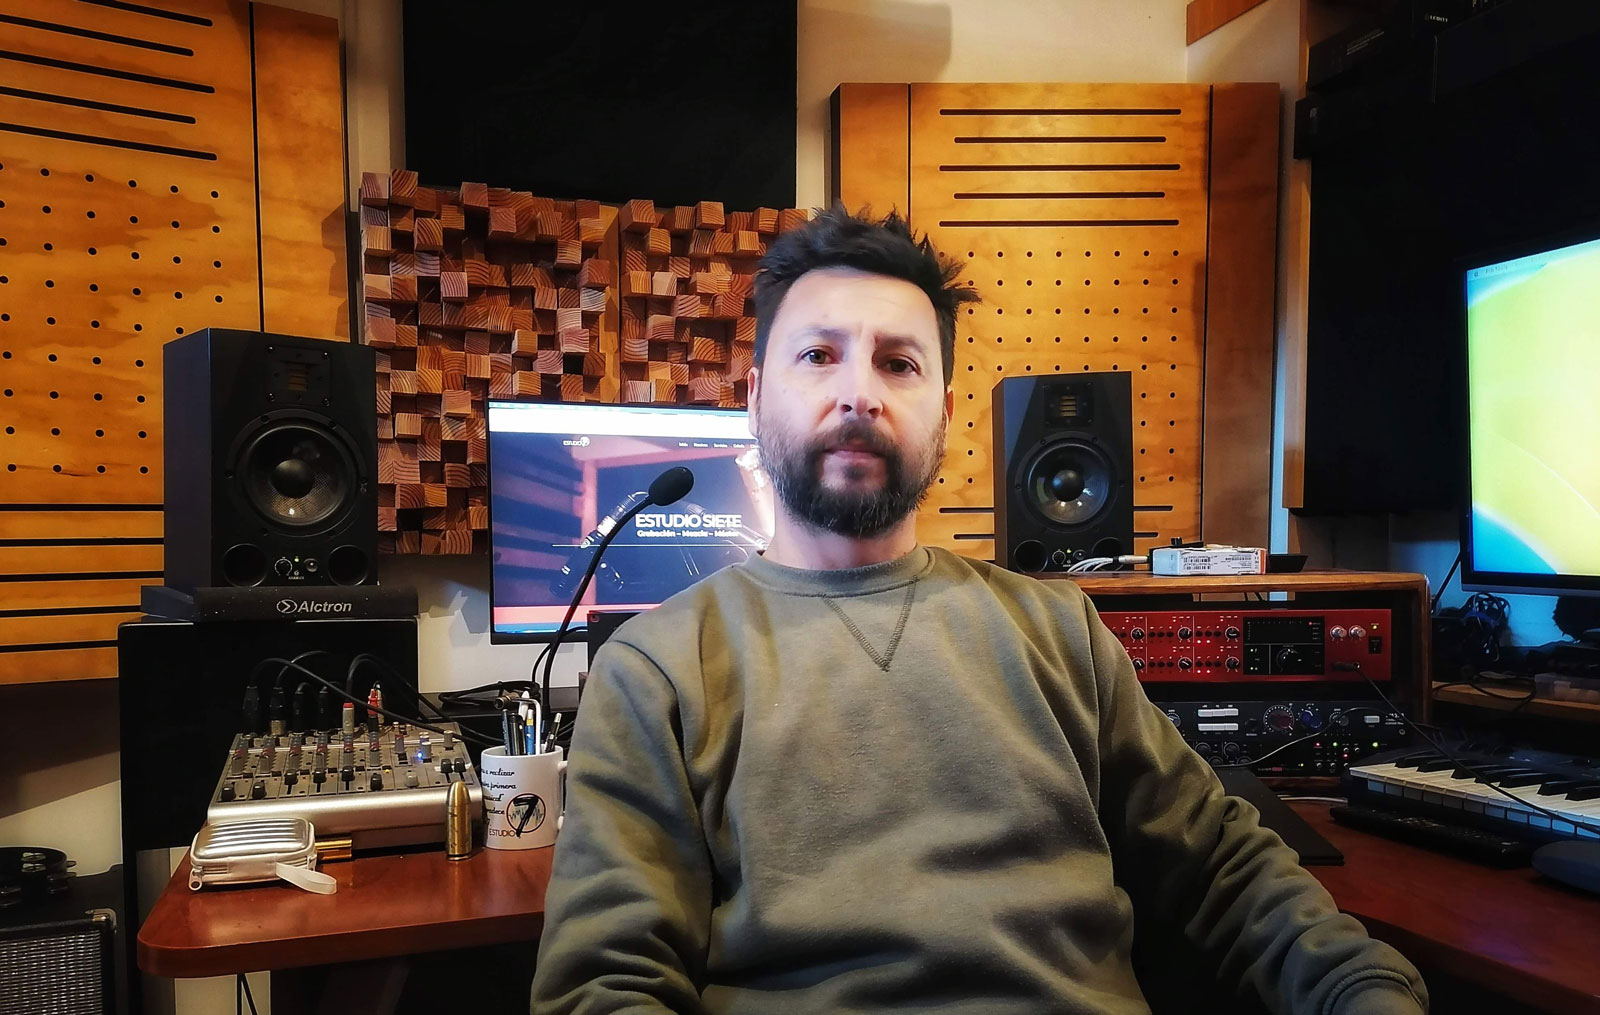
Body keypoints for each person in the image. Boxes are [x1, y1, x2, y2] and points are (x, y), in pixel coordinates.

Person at [529, 207, 1428, 1014]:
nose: (859, 392)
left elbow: (1223, 867)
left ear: (947, 412)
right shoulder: (657, 669)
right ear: (756, 395)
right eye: (819, 355)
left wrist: (1363, 989)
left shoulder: (1061, 632)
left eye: (899, 363)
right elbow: (604, 984)